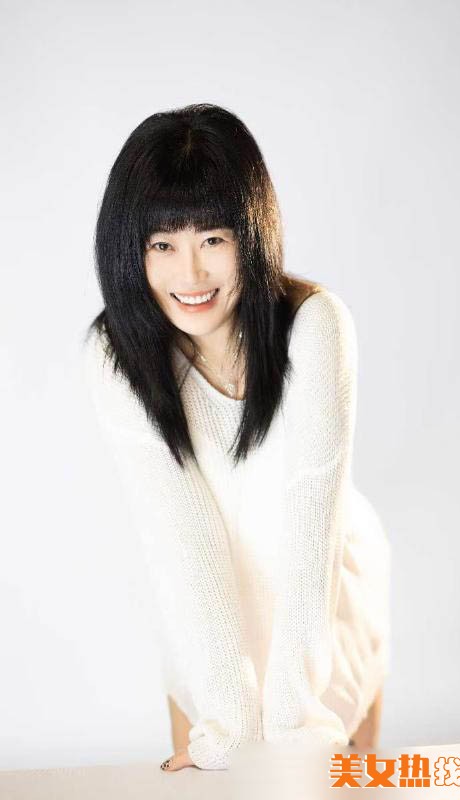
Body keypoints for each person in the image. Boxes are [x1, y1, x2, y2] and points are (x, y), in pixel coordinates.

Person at [81, 102, 391, 772]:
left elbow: (310, 527)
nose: (190, 275)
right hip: (205, 612)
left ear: (252, 234)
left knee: (334, 775)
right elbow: (182, 537)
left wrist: (296, 721)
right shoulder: (117, 355)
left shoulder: (314, 325)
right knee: (214, 762)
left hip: (325, 595)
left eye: (213, 239)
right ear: (129, 250)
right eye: (162, 245)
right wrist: (225, 722)